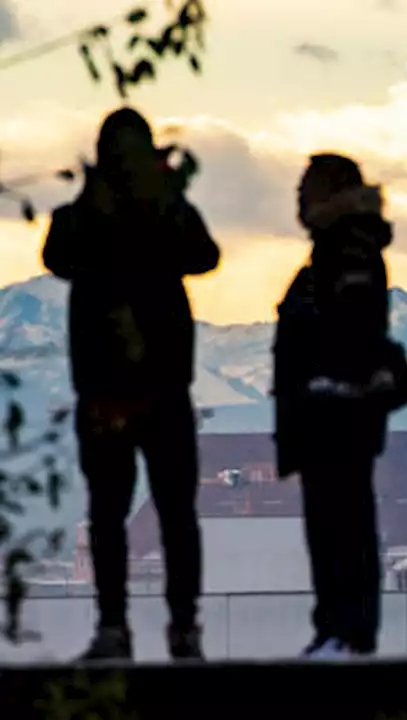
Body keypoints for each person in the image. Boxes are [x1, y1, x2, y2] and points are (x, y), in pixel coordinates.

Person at [42, 107, 220, 661]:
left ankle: (120, 628)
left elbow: (58, 257)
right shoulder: (144, 210)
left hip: (112, 391)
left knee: (115, 514)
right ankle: (178, 628)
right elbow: (202, 255)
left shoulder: (93, 213)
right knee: (169, 515)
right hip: (153, 389)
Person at [272, 153, 407, 659]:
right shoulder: (346, 249)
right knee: (337, 524)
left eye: (306, 188)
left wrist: (325, 385)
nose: (298, 199)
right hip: (333, 415)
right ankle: (338, 629)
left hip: (335, 416)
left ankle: (344, 631)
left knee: (339, 527)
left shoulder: (345, 251)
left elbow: (352, 328)